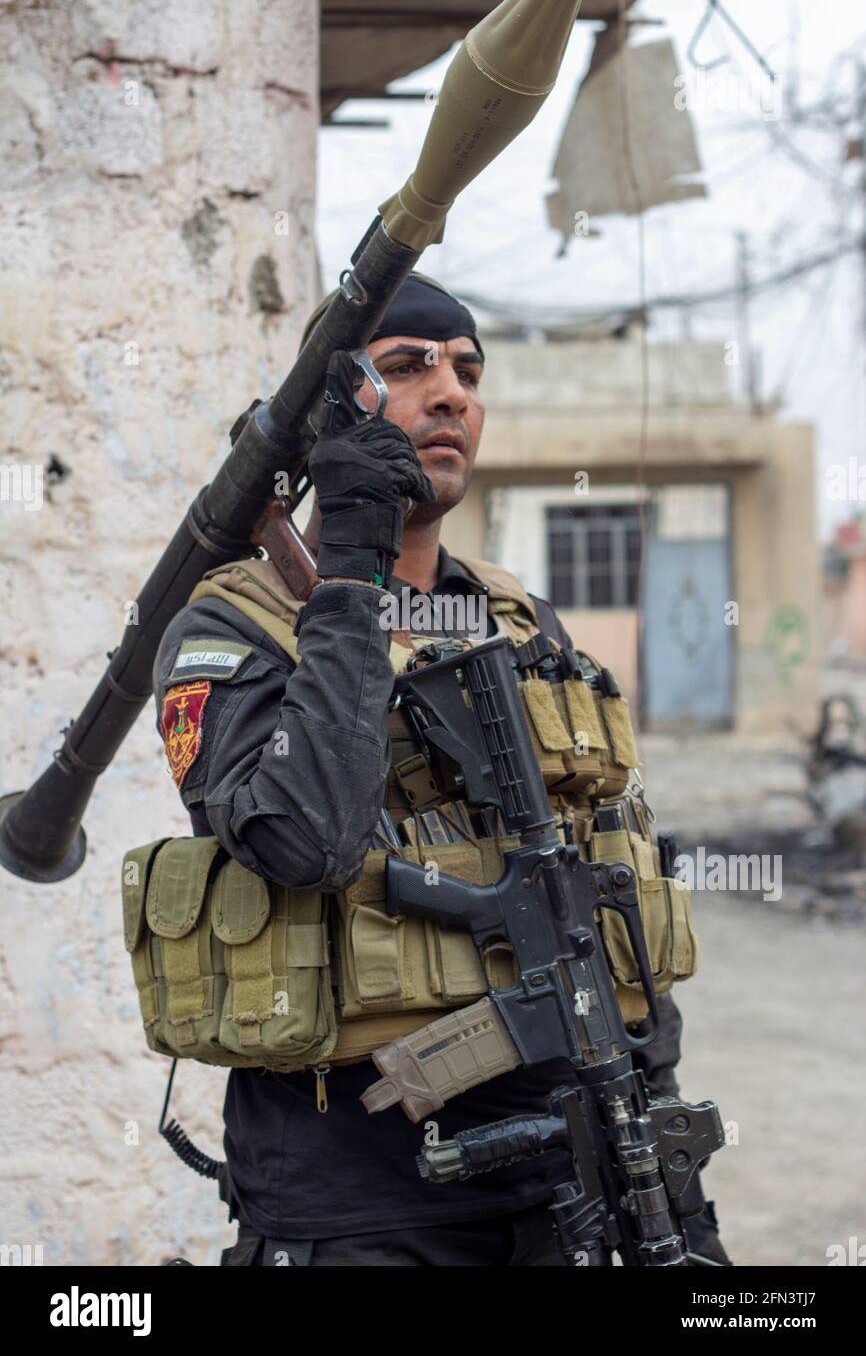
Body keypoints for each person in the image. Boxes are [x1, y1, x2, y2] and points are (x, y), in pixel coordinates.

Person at [151, 274, 727, 1267]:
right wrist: (350, 580)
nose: (451, 392)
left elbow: (605, 877)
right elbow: (303, 842)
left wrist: (673, 1161)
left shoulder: (517, 619)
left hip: (575, 1181)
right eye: (408, 366)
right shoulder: (228, 624)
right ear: (328, 414)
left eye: (466, 369)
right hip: (362, 1210)